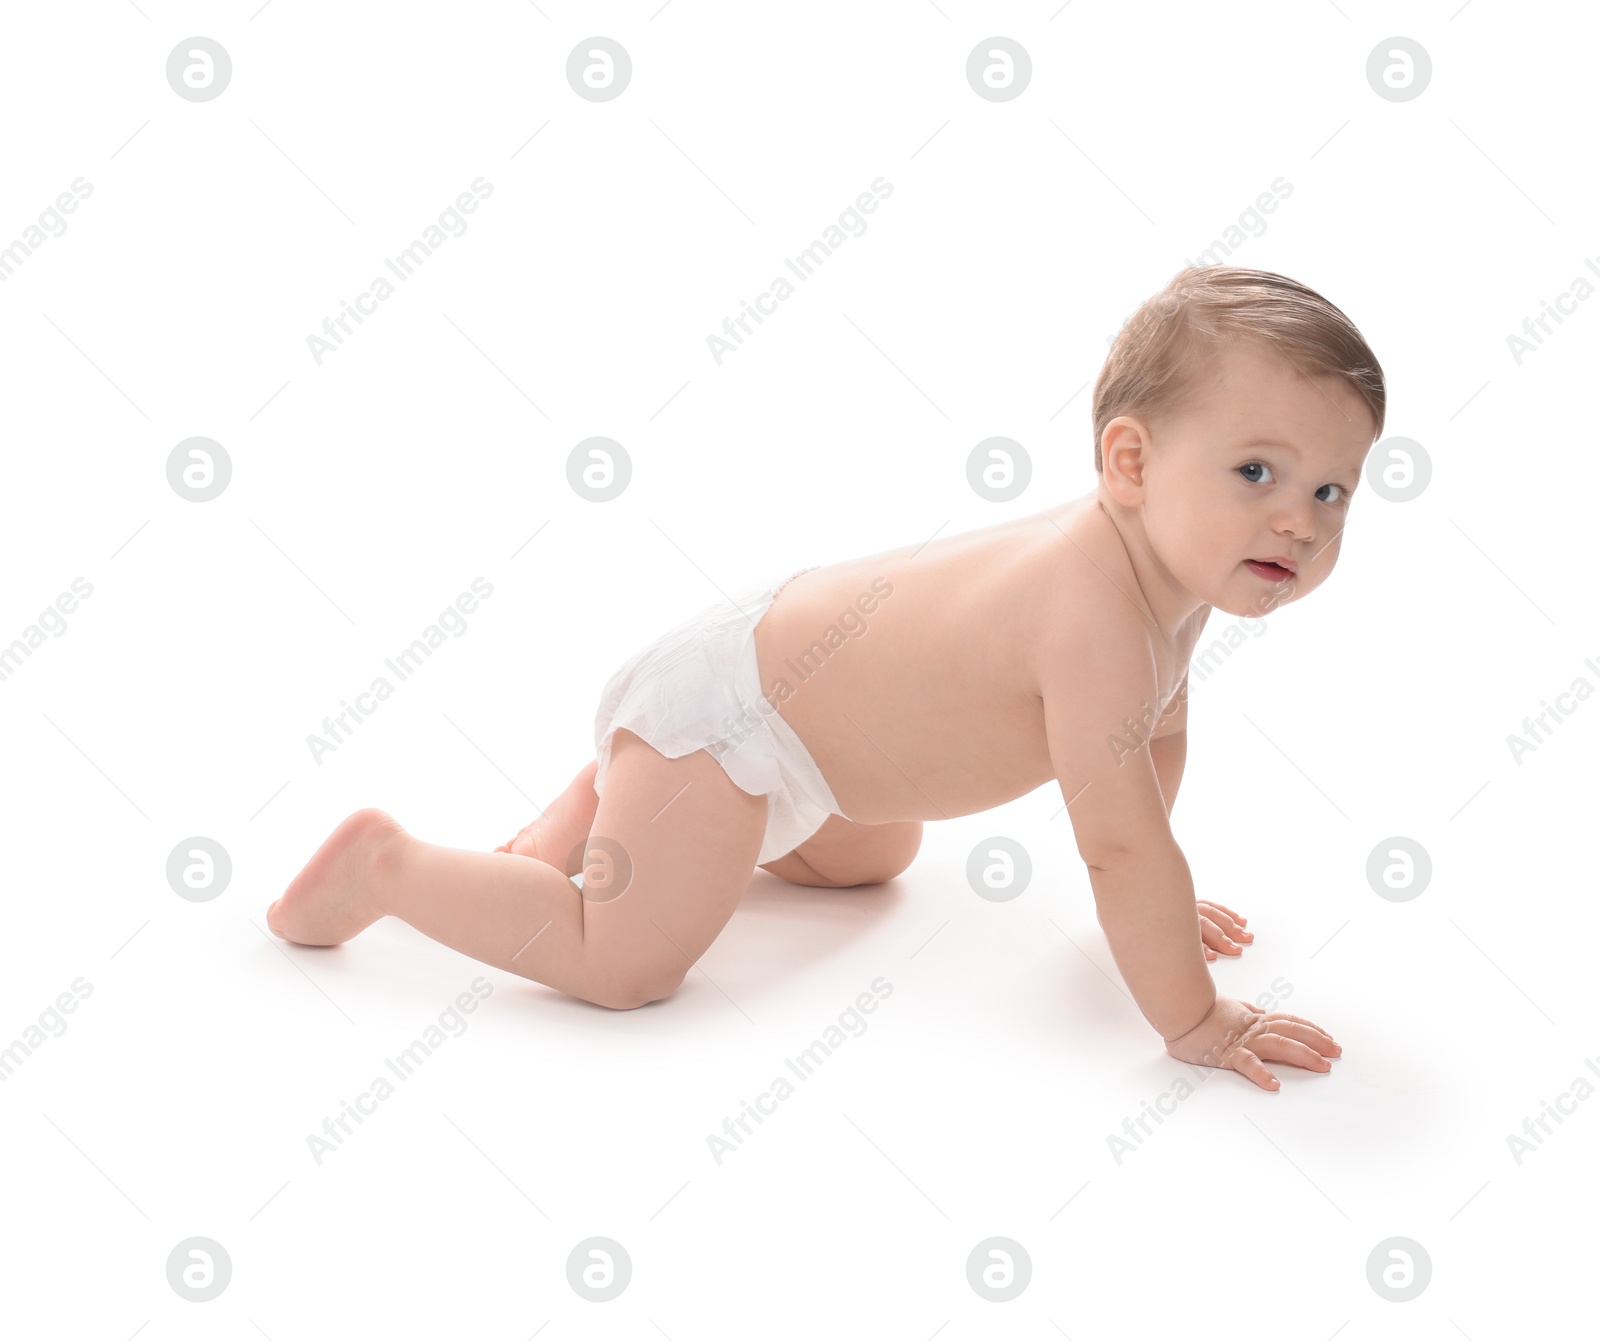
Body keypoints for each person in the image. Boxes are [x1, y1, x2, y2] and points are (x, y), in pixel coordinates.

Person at [270, 265, 1377, 1091]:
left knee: (871, 857)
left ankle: (604, 807)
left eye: (1333, 491)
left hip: (799, 740)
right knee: (628, 964)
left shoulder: (1163, 585)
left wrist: (1161, 910)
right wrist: (1193, 1018)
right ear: (1129, 463)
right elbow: (1119, 842)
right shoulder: (1089, 615)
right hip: (726, 720)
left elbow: (1157, 741)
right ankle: (390, 866)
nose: (1299, 517)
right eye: (1256, 472)